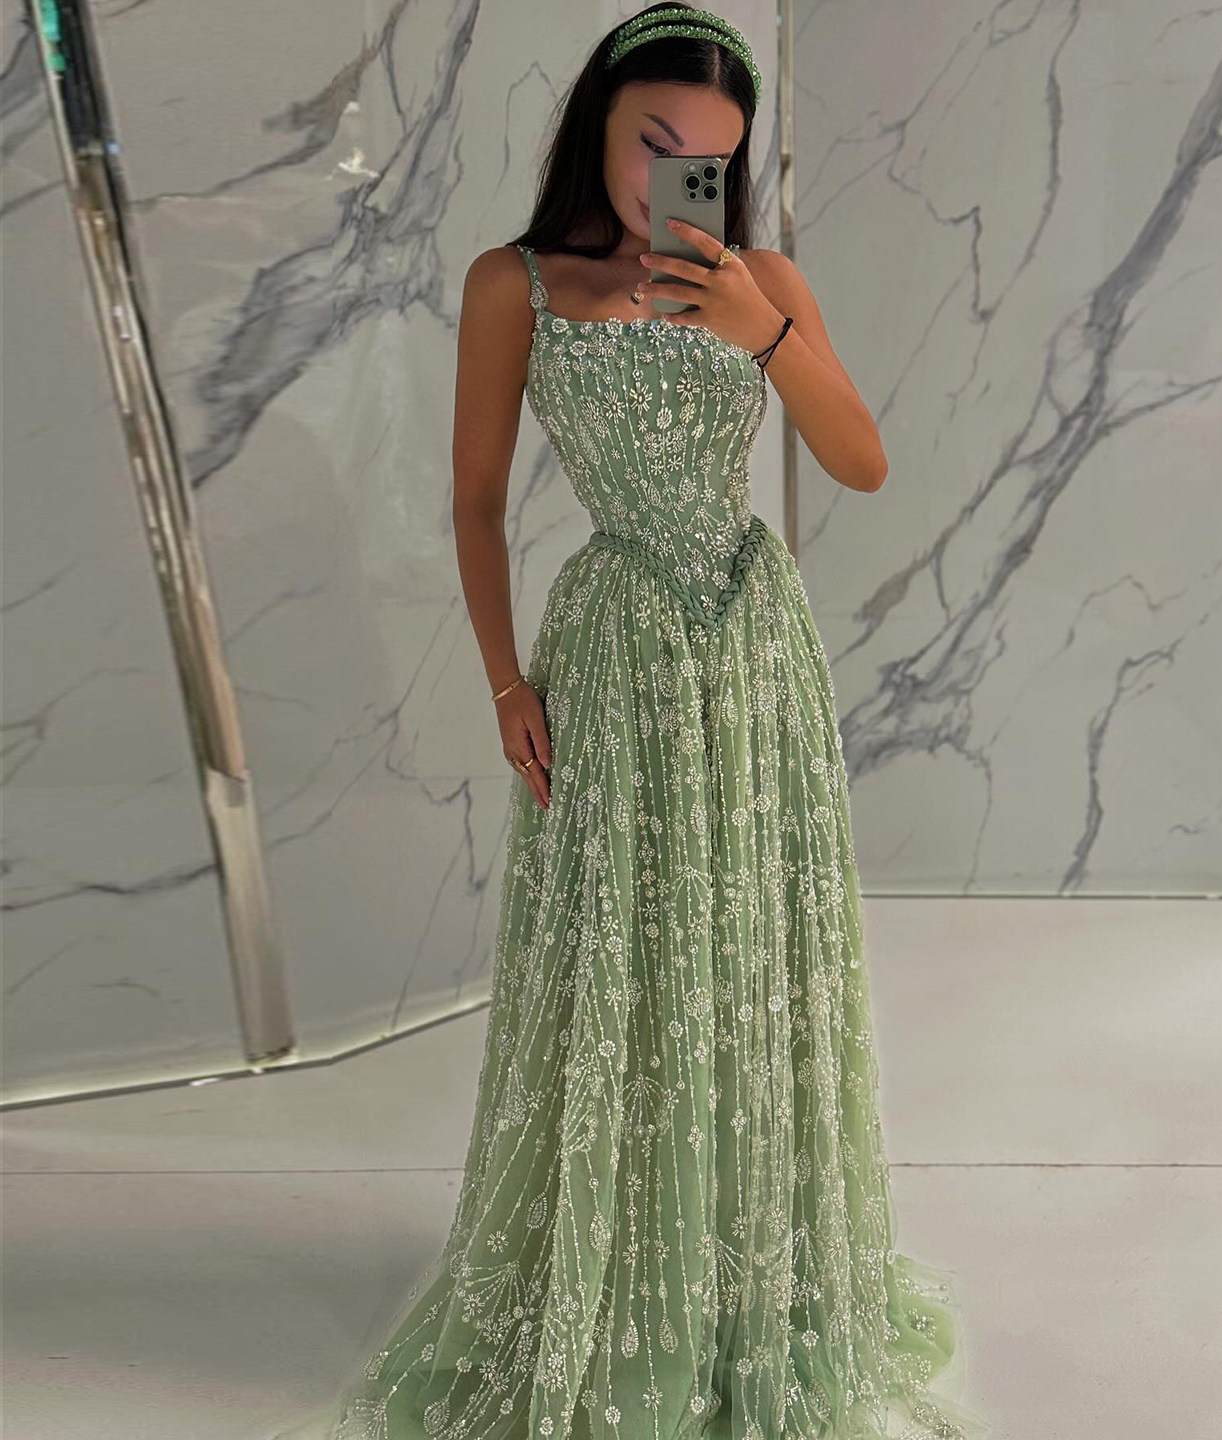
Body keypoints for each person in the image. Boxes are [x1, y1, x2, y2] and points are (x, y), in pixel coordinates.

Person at [276, 7, 989, 1438]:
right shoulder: (516, 285)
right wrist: (505, 684)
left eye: (711, 157)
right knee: (628, 956)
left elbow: (859, 462)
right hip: (614, 652)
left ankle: (752, 1285)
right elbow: (475, 498)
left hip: (751, 647)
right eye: (654, 143)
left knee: (752, 957)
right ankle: (617, 1282)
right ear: (595, 126)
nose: (678, 176)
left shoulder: (763, 282)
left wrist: (762, 327)